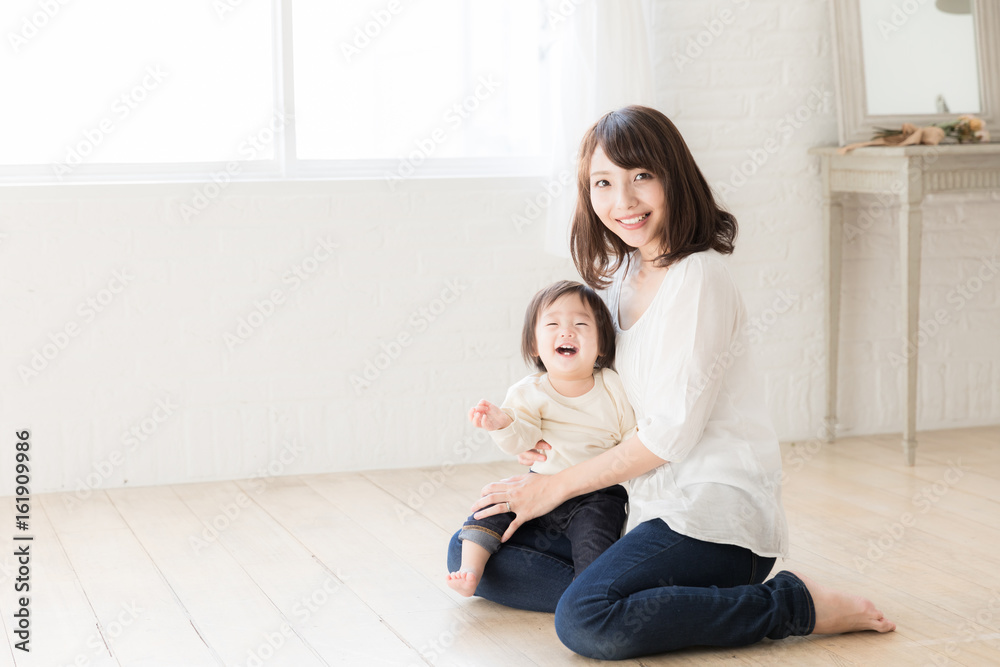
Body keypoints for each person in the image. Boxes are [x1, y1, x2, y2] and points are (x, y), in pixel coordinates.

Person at [447, 105, 896, 659]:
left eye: (641, 177)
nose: (623, 201)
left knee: (586, 623)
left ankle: (790, 604)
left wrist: (556, 488)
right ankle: (665, 601)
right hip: (634, 502)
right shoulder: (619, 279)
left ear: (672, 177)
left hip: (709, 513)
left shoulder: (699, 277)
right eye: (603, 183)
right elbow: (592, 388)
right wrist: (543, 444)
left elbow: (669, 438)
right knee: (472, 550)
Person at [446, 280, 636, 598]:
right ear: (534, 345)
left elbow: (632, 438)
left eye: (580, 324)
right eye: (553, 324)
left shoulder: (612, 386)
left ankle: (589, 590)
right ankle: (470, 570)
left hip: (597, 496)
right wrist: (501, 423)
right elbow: (521, 439)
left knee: (597, 540)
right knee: (488, 511)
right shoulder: (529, 391)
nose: (567, 332)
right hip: (538, 487)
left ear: (602, 344)